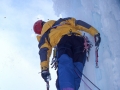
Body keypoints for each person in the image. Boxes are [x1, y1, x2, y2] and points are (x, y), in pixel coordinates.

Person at [33, 17, 101, 90]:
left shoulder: (45, 35)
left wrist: (44, 69)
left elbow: (44, 51)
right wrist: (95, 32)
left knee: (66, 67)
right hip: (80, 42)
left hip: (64, 43)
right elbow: (78, 23)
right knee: (76, 69)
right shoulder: (63, 21)